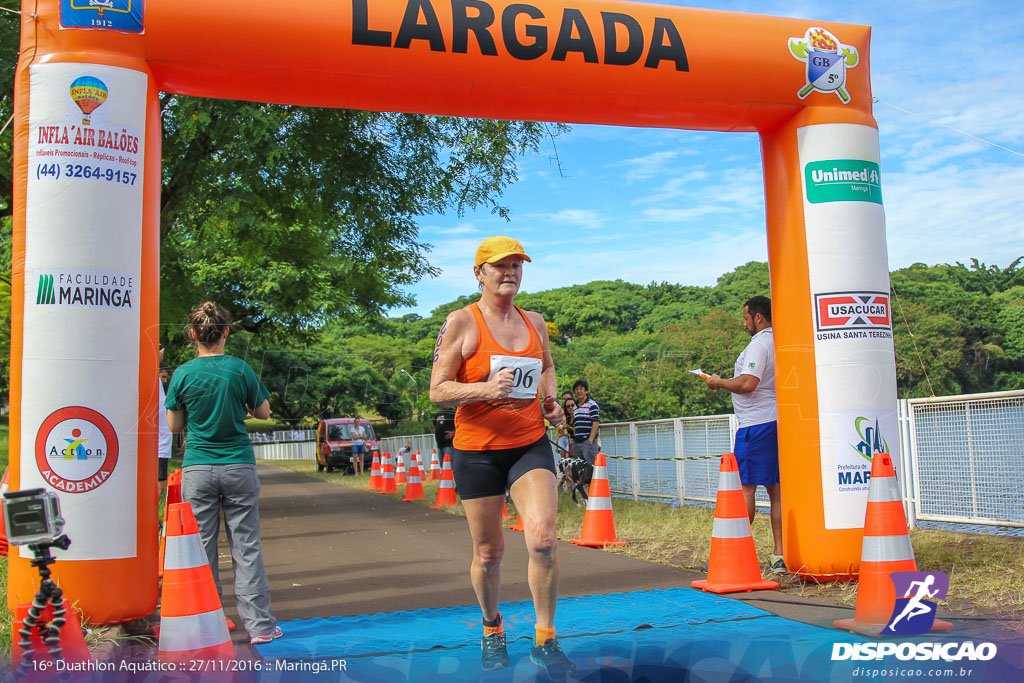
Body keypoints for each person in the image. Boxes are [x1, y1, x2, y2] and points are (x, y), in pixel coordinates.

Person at [429, 236, 574, 678]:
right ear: (479, 273)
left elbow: (546, 367)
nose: (509, 271)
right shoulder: (461, 322)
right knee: (489, 552)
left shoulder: (535, 322)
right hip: (476, 452)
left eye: (516, 264)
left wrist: (550, 401)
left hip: (528, 443)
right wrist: (483, 390)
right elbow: (437, 390)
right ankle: (492, 631)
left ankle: (545, 640)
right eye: (500, 266)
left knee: (543, 540)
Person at [165, 302, 283, 645]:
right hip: (238, 465)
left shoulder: (183, 374)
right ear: (226, 333)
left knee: (200, 549)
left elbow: (175, 425)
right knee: (246, 546)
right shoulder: (239, 369)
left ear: (193, 335)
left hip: (198, 466)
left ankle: (207, 626)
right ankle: (259, 627)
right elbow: (263, 412)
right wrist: (243, 407)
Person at [704, 295, 785, 573]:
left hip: (756, 424)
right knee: (776, 492)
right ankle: (780, 554)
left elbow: (749, 382)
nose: (744, 323)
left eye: (745, 318)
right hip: (775, 420)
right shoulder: (778, 340)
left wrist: (718, 383)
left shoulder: (759, 344)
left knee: (745, 488)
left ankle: (737, 553)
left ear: (758, 317)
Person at [572, 379, 600, 466]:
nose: (579, 391)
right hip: (577, 441)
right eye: (576, 389)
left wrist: (590, 440)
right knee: (578, 467)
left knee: (590, 466)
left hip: (587, 440)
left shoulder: (592, 404)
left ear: (586, 391)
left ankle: (591, 480)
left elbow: (595, 423)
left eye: (581, 389)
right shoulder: (574, 407)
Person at [157, 347, 173, 500]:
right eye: (162, 376)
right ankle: (150, 519)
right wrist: (157, 360)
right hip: (159, 446)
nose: (165, 380)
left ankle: (151, 519)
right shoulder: (153, 384)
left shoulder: (161, 390)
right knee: (160, 482)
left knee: (160, 482)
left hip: (162, 445)